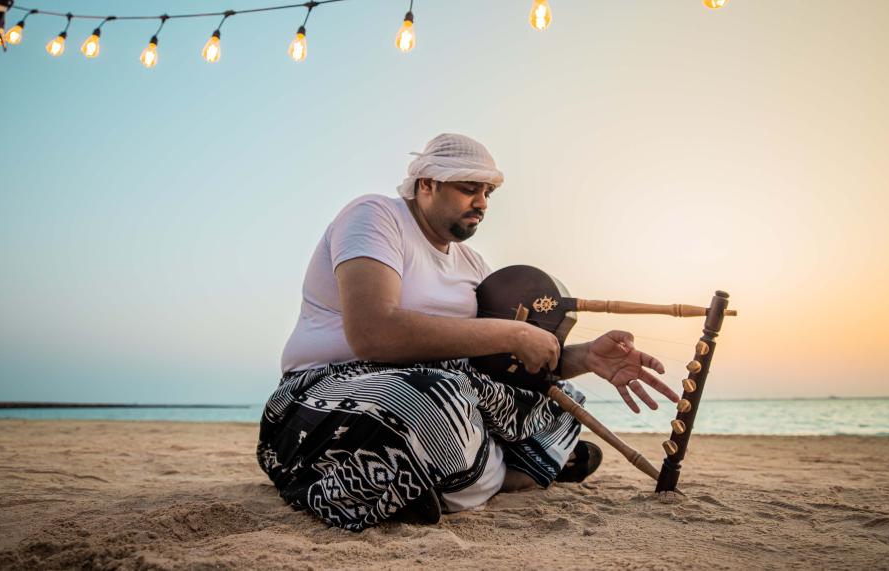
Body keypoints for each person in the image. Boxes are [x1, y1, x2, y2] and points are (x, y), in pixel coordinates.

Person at [256, 133, 677, 531]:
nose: (481, 202)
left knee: (559, 408)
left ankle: (454, 474)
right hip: (328, 391)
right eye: (468, 189)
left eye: (487, 193)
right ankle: (505, 471)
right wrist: (511, 334)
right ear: (426, 184)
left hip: (450, 388)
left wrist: (584, 358)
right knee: (436, 401)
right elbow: (374, 334)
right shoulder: (375, 216)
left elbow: (498, 363)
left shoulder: (473, 264)